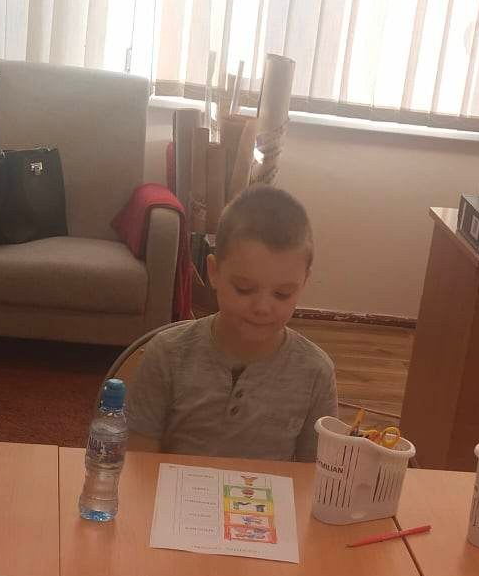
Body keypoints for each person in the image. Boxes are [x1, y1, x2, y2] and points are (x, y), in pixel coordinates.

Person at [126, 186, 337, 462]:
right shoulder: (167, 354)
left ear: (304, 283)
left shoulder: (316, 373)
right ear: (214, 272)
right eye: (244, 289)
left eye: (282, 294)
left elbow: (314, 476)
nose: (262, 308)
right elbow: (138, 463)